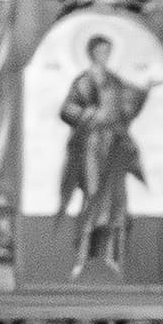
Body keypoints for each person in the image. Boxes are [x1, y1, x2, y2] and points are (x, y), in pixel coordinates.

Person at [59, 33, 147, 273]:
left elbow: (125, 110)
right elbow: (67, 110)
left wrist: (141, 96)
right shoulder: (82, 82)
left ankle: (112, 257)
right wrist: (90, 115)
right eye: (100, 51)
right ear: (91, 53)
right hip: (90, 145)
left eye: (107, 51)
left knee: (116, 200)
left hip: (113, 145)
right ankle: (81, 256)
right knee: (93, 195)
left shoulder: (116, 82)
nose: (104, 55)